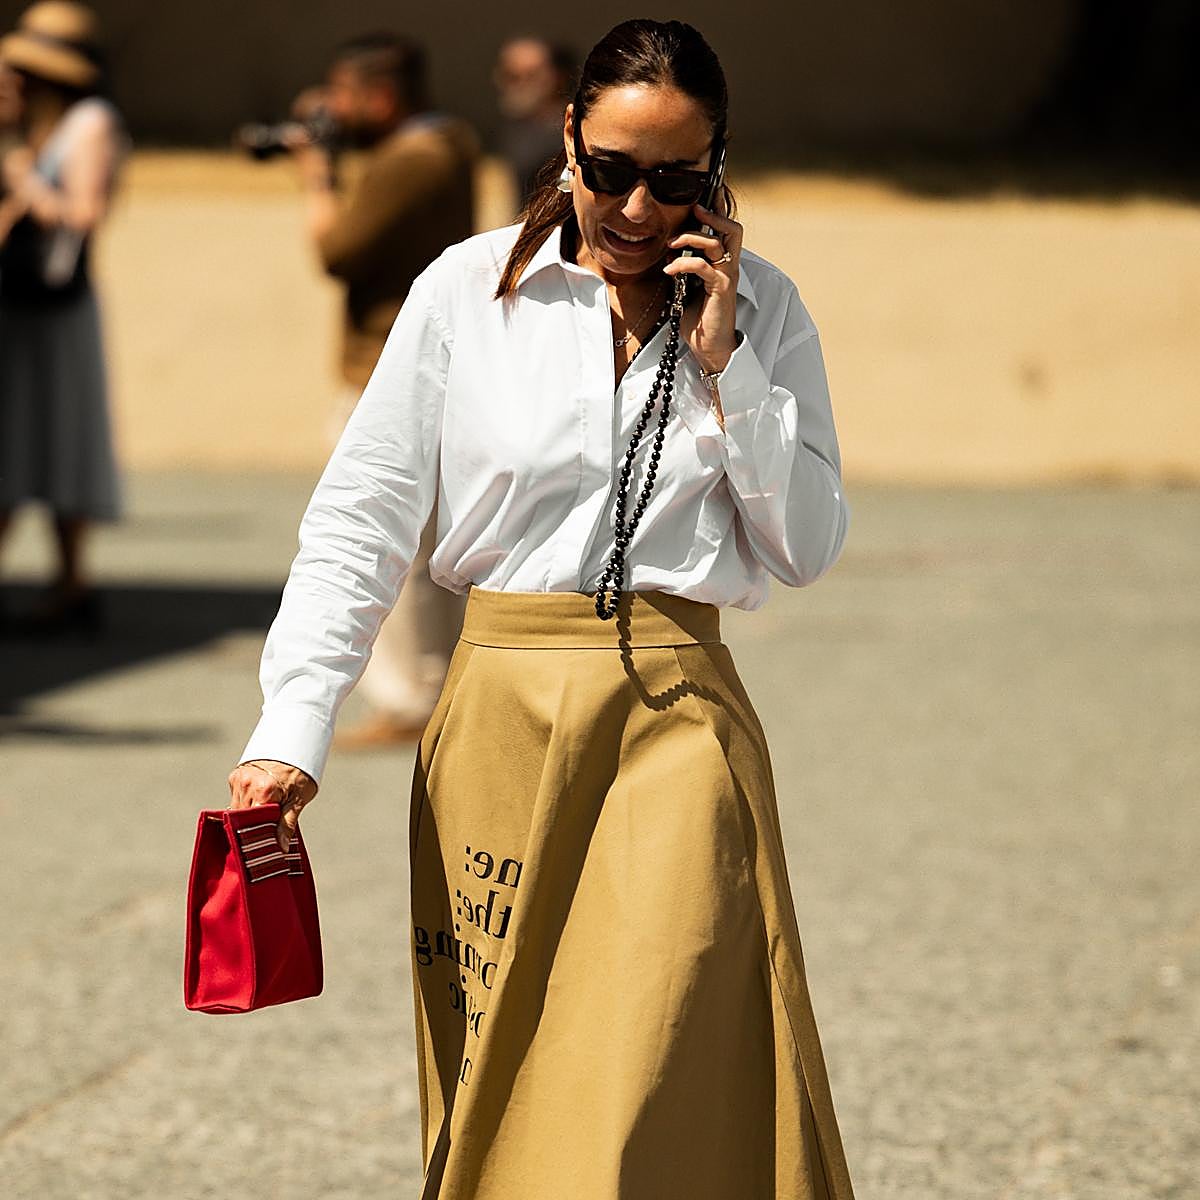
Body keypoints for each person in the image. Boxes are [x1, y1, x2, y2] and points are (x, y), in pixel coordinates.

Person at [230, 18, 855, 1199]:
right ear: (567, 137)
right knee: (505, 1086)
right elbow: (362, 520)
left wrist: (730, 368)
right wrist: (291, 727)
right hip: (499, 723)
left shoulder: (762, 310)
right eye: (609, 170)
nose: (632, 209)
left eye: (675, 180)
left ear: (718, 167)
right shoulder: (467, 290)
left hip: (680, 720)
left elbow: (807, 546)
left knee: (663, 1059)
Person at [286, 32, 478, 746]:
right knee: (421, 539)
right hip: (418, 364)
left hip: (387, 374)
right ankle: (434, 691)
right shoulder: (447, 143)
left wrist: (316, 174)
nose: (334, 109)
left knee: (382, 535)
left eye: (343, 94)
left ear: (381, 96)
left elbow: (334, 251)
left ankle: (410, 701)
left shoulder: (412, 160)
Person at [0, 1, 128, 635]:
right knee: (21, 436)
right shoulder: (39, 127)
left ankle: (72, 581)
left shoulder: (89, 124)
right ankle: (65, 583)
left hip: (59, 311)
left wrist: (26, 185)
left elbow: (83, 214)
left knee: (60, 435)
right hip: (23, 309)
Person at [493, 35, 575, 210]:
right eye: (511, 76)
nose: (519, 85)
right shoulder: (511, 127)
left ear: (558, 77)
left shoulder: (569, 132)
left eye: (531, 76)